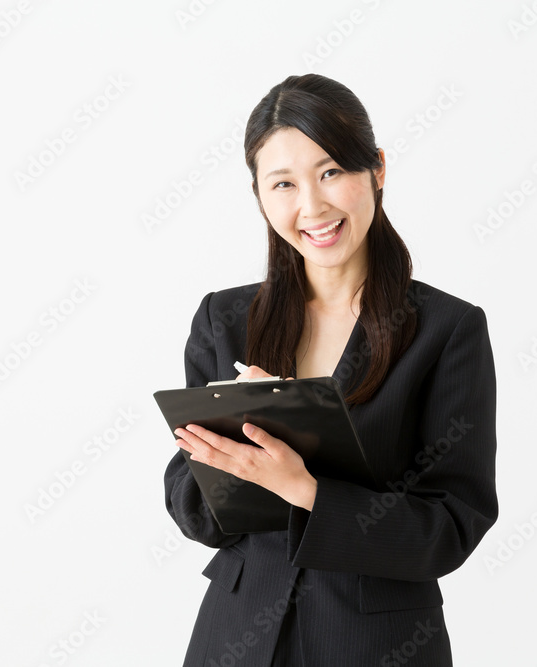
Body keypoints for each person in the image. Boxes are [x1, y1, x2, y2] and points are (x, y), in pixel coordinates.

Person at [163, 74, 498, 666]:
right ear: (260, 196)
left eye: (331, 172)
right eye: (284, 183)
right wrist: (235, 444)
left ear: (377, 170)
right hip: (236, 638)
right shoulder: (224, 320)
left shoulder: (447, 331)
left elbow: (451, 526)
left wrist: (309, 491)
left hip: (376, 645)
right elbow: (191, 509)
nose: (312, 207)